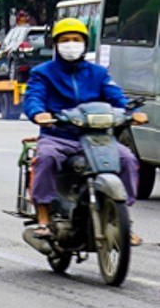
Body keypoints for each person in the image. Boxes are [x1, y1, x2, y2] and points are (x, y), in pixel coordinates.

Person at [23, 17, 148, 244]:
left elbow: (116, 96)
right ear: (56, 44)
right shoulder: (43, 73)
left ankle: (123, 220)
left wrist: (131, 113)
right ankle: (43, 217)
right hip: (59, 137)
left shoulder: (98, 73)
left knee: (128, 159)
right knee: (45, 158)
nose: (71, 44)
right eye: (66, 40)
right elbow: (33, 98)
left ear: (85, 43)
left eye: (76, 39)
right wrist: (39, 113)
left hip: (98, 138)